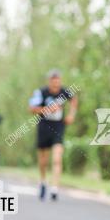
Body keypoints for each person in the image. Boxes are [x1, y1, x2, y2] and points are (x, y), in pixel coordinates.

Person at [28, 70, 78, 201]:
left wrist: (71, 115)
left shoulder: (64, 92)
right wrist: (47, 109)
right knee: (43, 161)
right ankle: (43, 181)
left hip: (58, 127)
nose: (56, 85)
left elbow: (74, 100)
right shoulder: (41, 92)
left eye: (58, 82)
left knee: (57, 158)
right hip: (44, 126)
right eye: (53, 82)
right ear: (49, 81)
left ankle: (55, 188)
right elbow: (32, 108)